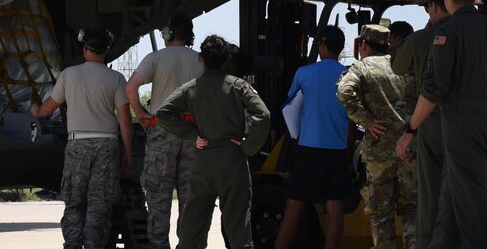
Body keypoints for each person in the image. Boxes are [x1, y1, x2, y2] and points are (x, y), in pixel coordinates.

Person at [395, 0, 487, 249]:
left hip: (463, 136)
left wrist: (410, 129)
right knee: (448, 213)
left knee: (478, 218)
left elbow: (434, 89)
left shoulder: (447, 33)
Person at [155, 35, 271, 249]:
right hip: (232, 159)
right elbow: (263, 115)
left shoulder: (190, 89)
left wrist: (192, 135)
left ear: (201, 58)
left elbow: (163, 113)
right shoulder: (238, 86)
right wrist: (248, 147)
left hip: (204, 159)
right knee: (238, 228)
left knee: (192, 228)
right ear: (227, 59)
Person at [32, 27, 134, 249]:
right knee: (100, 205)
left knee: (74, 202)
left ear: (85, 49)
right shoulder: (116, 78)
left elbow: (48, 108)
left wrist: (36, 110)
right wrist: (127, 151)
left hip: (78, 144)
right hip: (107, 145)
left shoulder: (69, 74)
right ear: (106, 51)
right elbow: (124, 121)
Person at [338, 21, 417, 249]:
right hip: (408, 149)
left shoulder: (362, 69)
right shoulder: (404, 66)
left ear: (363, 45)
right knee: (412, 212)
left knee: (381, 215)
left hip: (379, 154)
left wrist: (367, 121)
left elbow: (344, 92)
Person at [275, 24, 355, 249]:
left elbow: (291, 107)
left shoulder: (305, 73)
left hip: (309, 149)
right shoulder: (348, 75)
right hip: (337, 150)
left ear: (321, 45)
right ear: (340, 49)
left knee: (295, 206)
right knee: (335, 208)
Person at [129, 14, 204, 249]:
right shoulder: (201, 60)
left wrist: (141, 114)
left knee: (159, 196)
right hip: (193, 132)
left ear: (169, 34)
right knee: (190, 196)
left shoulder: (156, 58)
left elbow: (131, 87)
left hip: (162, 129)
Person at [390, 0, 447, 249]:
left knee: (428, 199)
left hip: (430, 129)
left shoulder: (422, 40)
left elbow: (398, 66)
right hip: (474, 130)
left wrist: (410, 129)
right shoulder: (484, 33)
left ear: (434, 7)